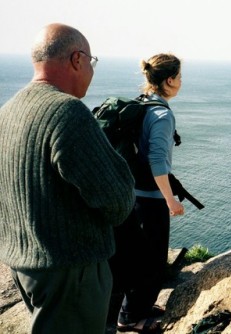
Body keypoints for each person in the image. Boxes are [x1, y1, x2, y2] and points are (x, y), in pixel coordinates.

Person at [0, 23, 135, 334]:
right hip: (71, 269)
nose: (91, 70)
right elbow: (117, 202)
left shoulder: (8, 111)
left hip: (24, 265)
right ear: (77, 59)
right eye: (92, 62)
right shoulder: (68, 112)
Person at [111, 53, 185, 332]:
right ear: (169, 80)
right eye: (179, 77)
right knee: (151, 259)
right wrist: (170, 200)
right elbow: (157, 161)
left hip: (131, 193)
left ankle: (136, 307)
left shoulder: (143, 104)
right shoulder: (162, 114)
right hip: (150, 199)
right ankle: (131, 318)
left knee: (137, 255)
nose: (181, 82)